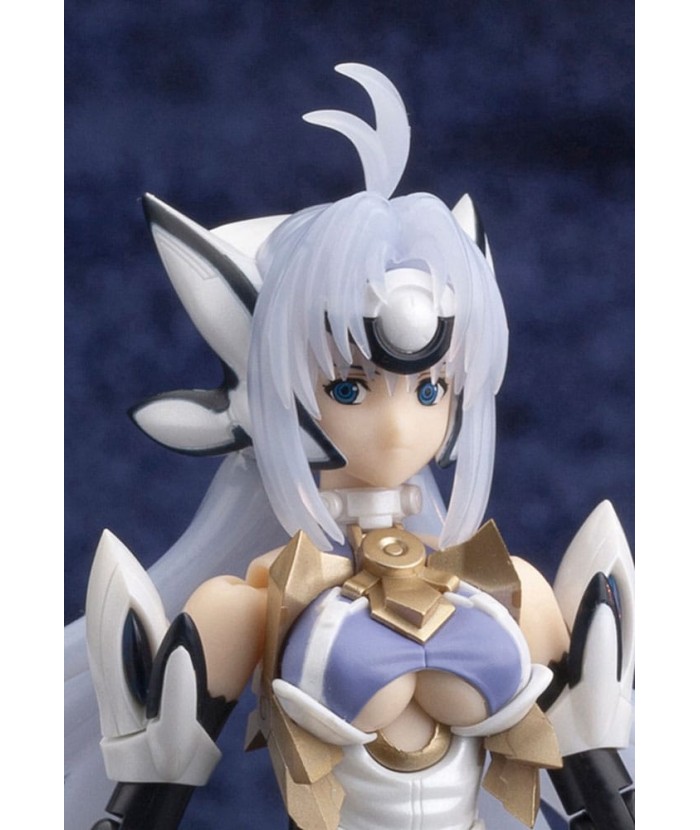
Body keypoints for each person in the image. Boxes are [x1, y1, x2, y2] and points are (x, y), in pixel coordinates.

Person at [66, 64, 634, 830]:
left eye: (430, 389)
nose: (398, 425)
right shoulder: (255, 603)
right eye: (348, 387)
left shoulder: (511, 592)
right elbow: (145, 806)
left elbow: (604, 793)